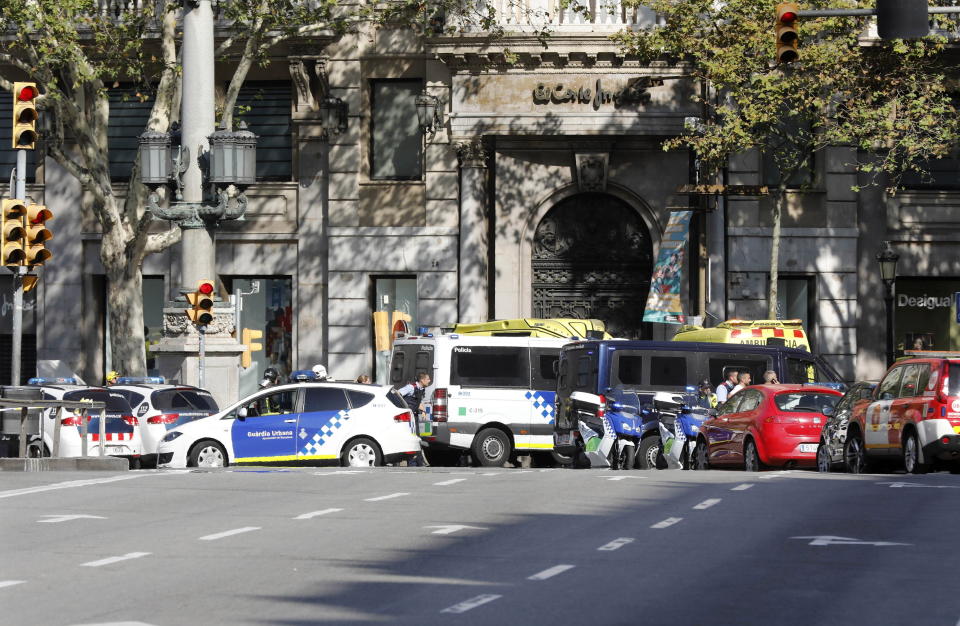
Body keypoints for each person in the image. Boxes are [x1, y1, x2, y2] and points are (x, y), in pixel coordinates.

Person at [398, 372, 432, 467]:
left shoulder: (421, 389)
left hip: (415, 416)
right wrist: (405, 407)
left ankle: (418, 461)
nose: (429, 381)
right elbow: (398, 394)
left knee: (416, 438)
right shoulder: (411, 387)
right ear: (422, 380)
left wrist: (424, 411)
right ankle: (412, 462)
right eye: (428, 379)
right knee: (411, 438)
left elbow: (417, 402)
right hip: (408, 417)